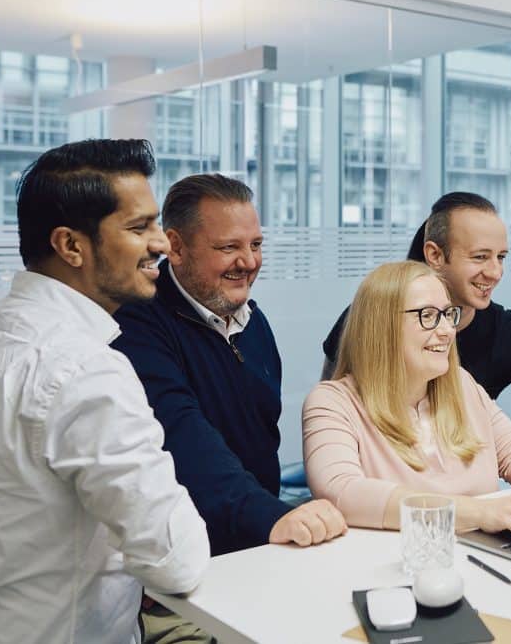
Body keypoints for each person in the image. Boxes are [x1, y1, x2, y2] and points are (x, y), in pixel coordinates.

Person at [0, 139, 209, 643]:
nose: (162, 244)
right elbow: (175, 560)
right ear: (71, 245)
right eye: (139, 227)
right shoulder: (85, 367)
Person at [113, 173, 346, 558]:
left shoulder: (253, 322)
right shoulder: (140, 326)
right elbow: (184, 444)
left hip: (259, 545)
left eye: (255, 244)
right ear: (176, 247)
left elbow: (262, 440)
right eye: (229, 247)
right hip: (188, 560)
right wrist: (271, 517)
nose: (249, 262)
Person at [304, 261, 511, 545]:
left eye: (448, 314)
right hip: (397, 567)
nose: (447, 331)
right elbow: (342, 492)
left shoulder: (461, 385)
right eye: (427, 315)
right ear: (381, 326)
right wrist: (477, 512)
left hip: (480, 553)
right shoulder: (331, 403)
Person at [321, 193, 511, 471]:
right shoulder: (370, 319)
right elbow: (334, 418)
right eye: (480, 257)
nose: (495, 272)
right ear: (434, 254)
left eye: (501, 257)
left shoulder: (504, 334)